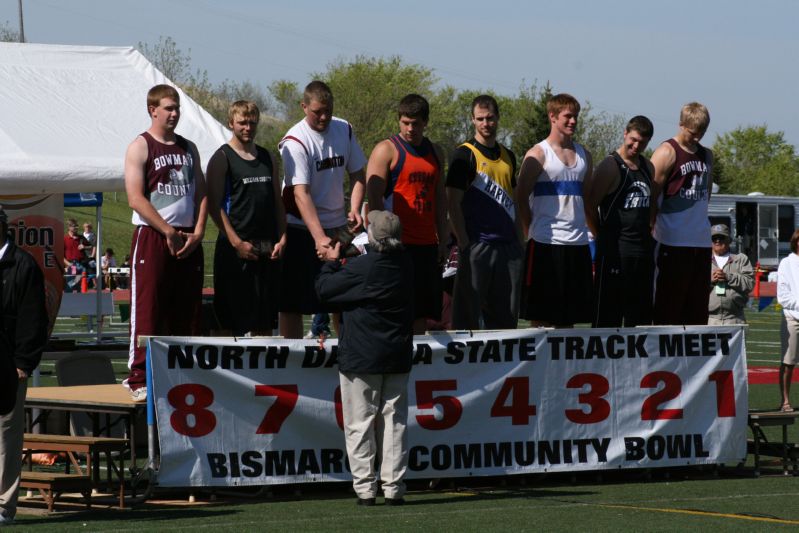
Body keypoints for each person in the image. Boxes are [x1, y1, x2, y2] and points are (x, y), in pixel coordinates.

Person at [315, 210, 413, 506]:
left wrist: (330, 264)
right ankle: (394, 487)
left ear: (373, 237)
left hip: (362, 355)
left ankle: (365, 489)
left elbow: (324, 291)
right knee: (394, 423)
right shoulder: (406, 266)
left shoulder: (364, 267)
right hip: (396, 354)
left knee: (360, 423)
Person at [123, 84, 208, 401]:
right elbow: (135, 198)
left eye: (177, 109)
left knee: (187, 309)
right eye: (168, 108)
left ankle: (182, 372)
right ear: (153, 110)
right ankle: (138, 376)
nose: (174, 114)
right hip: (153, 236)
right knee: (148, 307)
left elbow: (201, 193)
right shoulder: (140, 146)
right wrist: (167, 230)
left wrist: (198, 231)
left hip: (187, 237)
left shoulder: (189, 147)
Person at [278, 80, 367, 339]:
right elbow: (300, 193)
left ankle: (346, 352)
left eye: (328, 110)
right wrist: (319, 238)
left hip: (338, 226)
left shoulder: (344, 129)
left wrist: (355, 208)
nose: (324, 117)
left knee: (343, 300)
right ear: (304, 107)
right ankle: (291, 359)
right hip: (300, 226)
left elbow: (358, 173)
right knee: (293, 302)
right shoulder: (295, 140)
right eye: (317, 111)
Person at [366, 94, 447, 334]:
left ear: (426, 122)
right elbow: (374, 200)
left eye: (416, 123)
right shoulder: (386, 150)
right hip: (396, 245)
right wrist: (382, 242)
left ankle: (418, 365)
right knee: (392, 309)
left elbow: (440, 199)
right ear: (399, 121)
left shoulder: (436, 152)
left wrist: (442, 240)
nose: (410, 128)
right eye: (405, 122)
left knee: (421, 313)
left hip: (426, 244)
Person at [207, 100, 286, 336]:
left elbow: (277, 202)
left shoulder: (267, 157)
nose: (247, 127)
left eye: (252, 122)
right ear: (231, 123)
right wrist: (236, 243)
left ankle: (262, 373)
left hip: (266, 250)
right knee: (229, 323)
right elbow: (214, 206)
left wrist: (283, 238)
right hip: (235, 252)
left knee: (264, 322)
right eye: (242, 122)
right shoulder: (222, 158)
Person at [516, 93, 594, 327]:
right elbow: (520, 196)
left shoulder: (584, 156)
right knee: (541, 318)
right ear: (552, 116)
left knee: (569, 318)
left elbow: (588, 200)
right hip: (545, 244)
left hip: (578, 245)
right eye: (568, 116)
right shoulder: (538, 154)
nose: (573, 121)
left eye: (575, 117)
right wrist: (530, 231)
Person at [446, 94, 522, 330]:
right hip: (478, 245)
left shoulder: (508, 156)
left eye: (490, 118)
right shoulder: (464, 154)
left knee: (506, 319)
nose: (485, 124)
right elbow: (452, 203)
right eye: (480, 119)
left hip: (508, 248)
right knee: (466, 319)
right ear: (472, 120)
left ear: (498, 118)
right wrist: (465, 242)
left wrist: (520, 241)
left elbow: (514, 200)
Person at [0, 205, 49, 526]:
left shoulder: (23, 264)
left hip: (8, 366)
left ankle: (3, 506)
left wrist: (22, 364)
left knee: (5, 437)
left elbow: (34, 320)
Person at [584, 115, 655, 327]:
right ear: (625, 134)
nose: (636, 145)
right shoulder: (610, 165)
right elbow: (589, 205)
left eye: (642, 143)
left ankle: (636, 361)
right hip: (615, 252)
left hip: (641, 252)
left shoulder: (647, 167)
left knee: (639, 317)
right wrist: (601, 236)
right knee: (608, 316)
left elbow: (651, 206)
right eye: (633, 139)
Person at [650, 102, 713, 325]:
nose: (697, 138)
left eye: (702, 133)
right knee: (668, 310)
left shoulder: (707, 156)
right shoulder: (666, 151)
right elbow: (651, 196)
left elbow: (706, 195)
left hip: (701, 242)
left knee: (696, 312)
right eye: (693, 133)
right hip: (671, 241)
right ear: (681, 125)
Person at [708, 224, 754, 325]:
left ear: (729, 240)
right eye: (714, 238)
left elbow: (749, 284)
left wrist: (728, 277)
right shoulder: (702, 260)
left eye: (721, 237)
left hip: (735, 318)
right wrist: (710, 280)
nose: (717, 241)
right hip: (709, 319)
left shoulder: (741, 259)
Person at [777, 229, 799, 412]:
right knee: (789, 361)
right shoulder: (786, 262)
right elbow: (782, 297)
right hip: (792, 317)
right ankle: (785, 400)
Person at [63, 218, 90, 291]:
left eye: (77, 226)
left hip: (81, 264)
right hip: (72, 265)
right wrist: (68, 264)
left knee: (81, 285)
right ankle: (68, 300)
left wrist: (85, 246)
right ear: (69, 227)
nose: (76, 228)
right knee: (70, 285)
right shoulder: (64, 239)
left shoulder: (81, 237)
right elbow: (61, 255)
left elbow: (91, 246)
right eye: (74, 226)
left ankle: (81, 300)